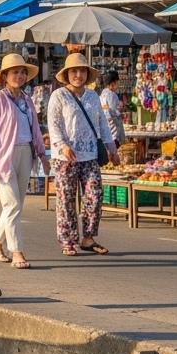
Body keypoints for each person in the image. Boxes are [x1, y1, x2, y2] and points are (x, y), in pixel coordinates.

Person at [0, 53, 50, 270]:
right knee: (12, 203)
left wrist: (43, 155)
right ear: (5, 76)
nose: (19, 76)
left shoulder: (27, 100)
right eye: (14, 72)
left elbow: (35, 130)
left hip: (26, 154)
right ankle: (16, 250)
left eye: (22, 72)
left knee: (16, 204)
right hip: (3, 156)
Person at [49, 53, 119, 257]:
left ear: (87, 74)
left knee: (94, 195)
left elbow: (102, 124)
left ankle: (88, 237)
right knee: (66, 199)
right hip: (66, 158)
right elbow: (53, 124)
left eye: (81, 71)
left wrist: (112, 149)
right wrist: (62, 146)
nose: (78, 75)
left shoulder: (93, 96)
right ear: (67, 74)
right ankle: (68, 240)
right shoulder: (59, 96)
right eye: (74, 71)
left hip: (89, 155)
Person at [98, 69, 125, 146]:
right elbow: (112, 112)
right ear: (113, 83)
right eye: (117, 83)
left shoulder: (103, 94)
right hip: (113, 131)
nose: (118, 85)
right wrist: (120, 112)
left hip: (106, 129)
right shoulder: (112, 95)